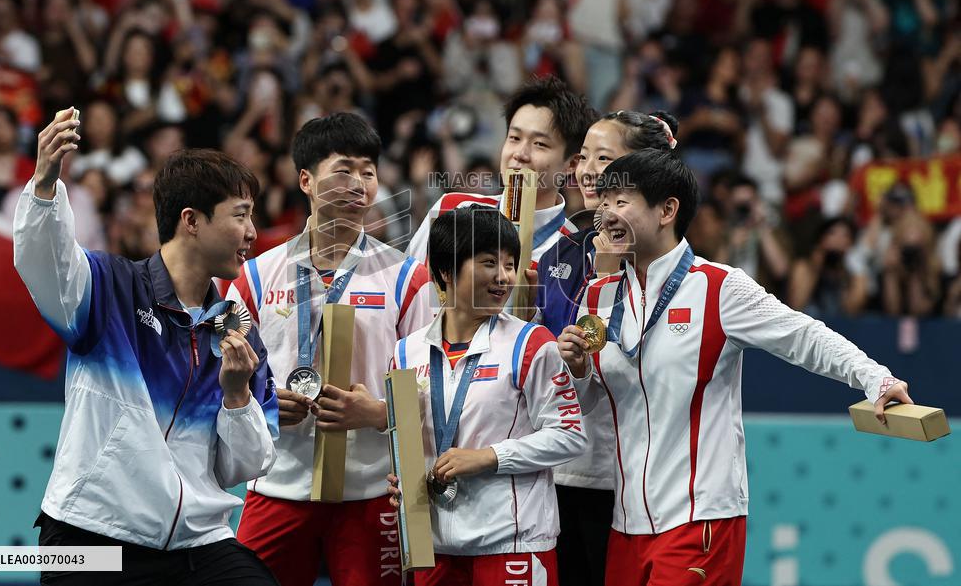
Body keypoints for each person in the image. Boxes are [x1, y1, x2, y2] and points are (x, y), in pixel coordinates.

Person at [558, 150, 911, 586]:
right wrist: (577, 372)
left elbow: (805, 336)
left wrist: (877, 378)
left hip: (700, 521)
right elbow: (595, 407)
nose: (606, 214)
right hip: (626, 525)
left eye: (621, 201)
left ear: (668, 210)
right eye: (604, 202)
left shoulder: (719, 287)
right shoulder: (598, 298)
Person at [14, 108, 280, 585]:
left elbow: (246, 465)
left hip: (196, 544)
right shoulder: (110, 289)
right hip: (91, 536)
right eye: (240, 215)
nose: (251, 233)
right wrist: (44, 187)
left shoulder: (235, 330)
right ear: (191, 221)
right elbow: (44, 262)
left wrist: (238, 396)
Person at [230, 112, 436, 586]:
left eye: (368, 171)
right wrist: (259, 402)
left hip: (371, 494)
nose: (359, 183)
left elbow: (433, 390)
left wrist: (378, 412)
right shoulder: (256, 277)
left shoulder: (407, 279)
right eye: (343, 169)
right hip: (276, 486)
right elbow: (220, 375)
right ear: (306, 179)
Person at [388, 206, 587, 586]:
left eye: (510, 264)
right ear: (446, 271)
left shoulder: (530, 344)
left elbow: (570, 435)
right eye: (488, 262)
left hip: (511, 544)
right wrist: (405, 476)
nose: (504, 277)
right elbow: (412, 438)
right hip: (433, 547)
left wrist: (489, 457)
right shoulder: (406, 352)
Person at [534, 109, 678, 586]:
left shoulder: (664, 262)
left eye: (607, 158)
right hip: (554, 469)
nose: (590, 170)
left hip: (623, 477)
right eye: (584, 158)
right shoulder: (555, 254)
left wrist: (609, 272)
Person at [406, 76, 597, 268]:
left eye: (540, 144)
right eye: (514, 137)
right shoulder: (450, 210)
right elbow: (404, 292)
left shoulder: (579, 253)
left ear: (572, 164)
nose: (520, 154)